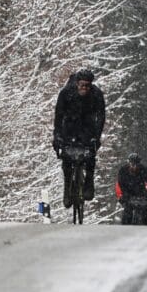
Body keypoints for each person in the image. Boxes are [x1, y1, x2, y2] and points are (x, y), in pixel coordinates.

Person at [53, 69, 105, 208]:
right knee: (67, 158)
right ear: (76, 83)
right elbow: (58, 115)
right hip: (69, 127)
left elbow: (101, 117)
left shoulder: (96, 94)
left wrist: (97, 137)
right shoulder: (66, 93)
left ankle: (89, 181)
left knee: (90, 156)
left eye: (87, 85)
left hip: (88, 128)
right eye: (82, 85)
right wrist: (57, 136)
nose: (84, 88)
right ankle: (67, 188)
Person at [115, 153, 147, 224]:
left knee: (145, 210)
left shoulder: (144, 170)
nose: (133, 165)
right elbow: (120, 184)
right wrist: (123, 195)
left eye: (135, 164)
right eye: (131, 163)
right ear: (128, 162)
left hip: (141, 192)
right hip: (127, 192)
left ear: (138, 163)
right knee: (127, 211)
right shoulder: (123, 170)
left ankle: (145, 227)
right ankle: (125, 228)